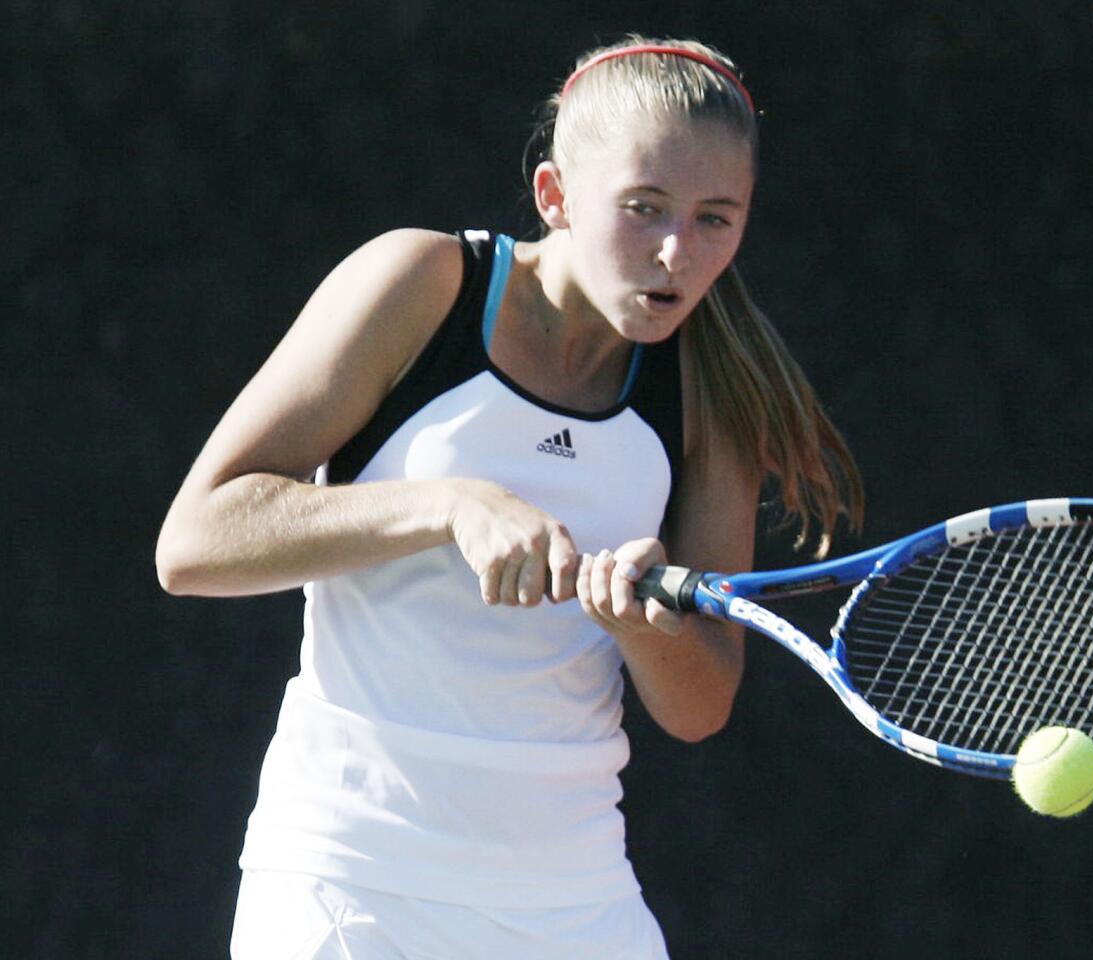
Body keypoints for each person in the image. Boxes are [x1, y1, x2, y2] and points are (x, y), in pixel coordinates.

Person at [156, 35, 862, 959]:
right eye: (643, 208)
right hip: (349, 884)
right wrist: (449, 505)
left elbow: (700, 705)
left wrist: (640, 624)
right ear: (555, 197)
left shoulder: (710, 395)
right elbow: (195, 542)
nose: (674, 252)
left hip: (575, 905)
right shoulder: (419, 284)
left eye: (715, 219)